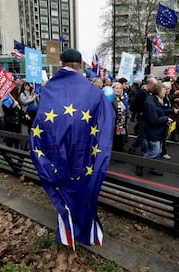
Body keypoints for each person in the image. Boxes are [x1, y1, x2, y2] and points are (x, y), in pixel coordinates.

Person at [29, 48, 115, 248]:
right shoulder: (94, 92)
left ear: (61, 64)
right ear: (80, 66)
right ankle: (84, 225)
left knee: (63, 184)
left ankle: (67, 224)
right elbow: (106, 118)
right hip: (84, 152)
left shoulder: (48, 88)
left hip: (57, 150)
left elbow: (41, 121)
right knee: (83, 185)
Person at [112, 82, 127, 152]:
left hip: (122, 124)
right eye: (117, 88)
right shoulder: (111, 99)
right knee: (116, 141)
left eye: (120, 88)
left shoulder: (122, 98)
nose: (119, 90)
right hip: (115, 124)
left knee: (121, 140)